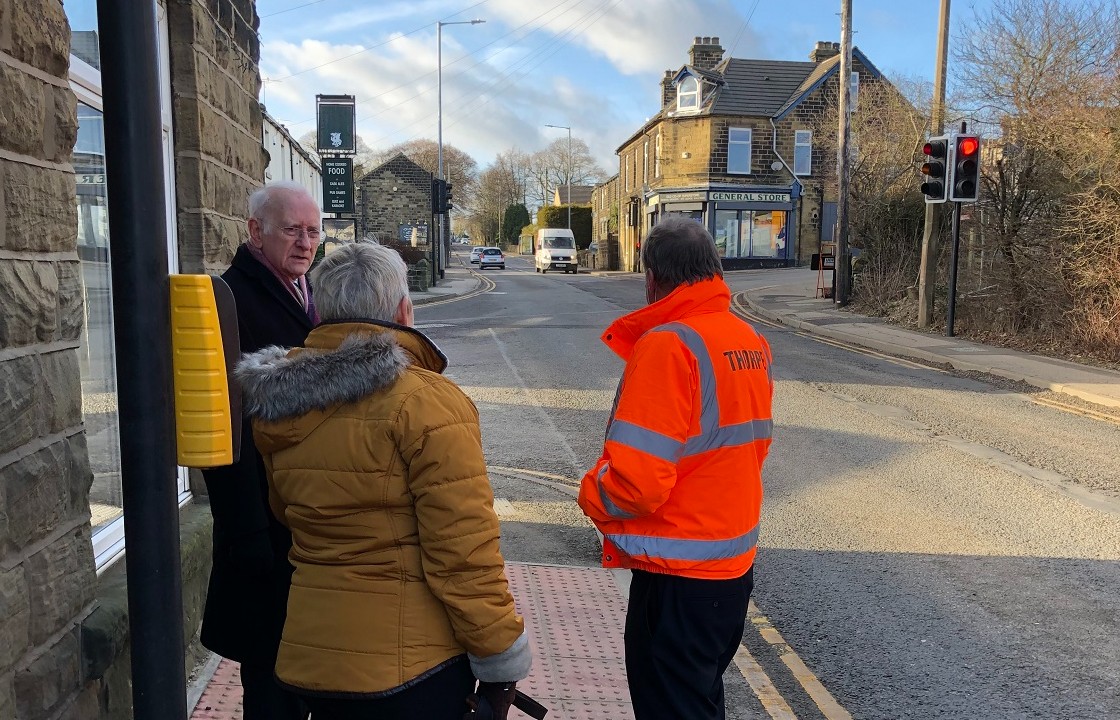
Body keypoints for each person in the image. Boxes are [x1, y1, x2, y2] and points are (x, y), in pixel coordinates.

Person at [233, 242, 531, 720]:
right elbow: (463, 552)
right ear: (403, 310)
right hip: (411, 666)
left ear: (321, 311)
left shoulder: (279, 403)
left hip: (313, 653)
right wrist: (500, 657)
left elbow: (286, 514)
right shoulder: (425, 402)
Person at [577, 216, 774, 720]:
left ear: (652, 278)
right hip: (731, 567)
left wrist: (590, 494)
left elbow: (636, 484)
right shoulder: (746, 339)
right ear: (714, 268)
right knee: (700, 700)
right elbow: (748, 449)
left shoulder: (669, 345)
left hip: (676, 577)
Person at [200, 180, 321, 720]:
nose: (305, 242)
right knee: (272, 682)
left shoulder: (310, 289)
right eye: (292, 229)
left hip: (304, 518)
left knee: (308, 671)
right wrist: (247, 532)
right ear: (255, 231)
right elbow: (223, 429)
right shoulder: (230, 299)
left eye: (313, 230)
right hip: (263, 526)